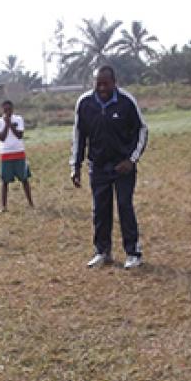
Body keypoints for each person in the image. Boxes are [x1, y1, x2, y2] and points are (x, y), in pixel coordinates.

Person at [70, 65, 149, 270]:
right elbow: (79, 137)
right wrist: (75, 166)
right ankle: (102, 252)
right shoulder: (85, 103)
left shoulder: (126, 102)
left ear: (115, 82)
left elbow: (142, 130)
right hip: (97, 167)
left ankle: (133, 253)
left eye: (106, 83)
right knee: (100, 210)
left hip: (123, 166)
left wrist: (131, 160)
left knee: (124, 206)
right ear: (93, 83)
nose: (102, 88)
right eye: (98, 83)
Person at [0, 100, 33, 213]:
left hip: (19, 152)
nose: (8, 112)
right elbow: (1, 138)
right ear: (2, 110)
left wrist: (10, 124)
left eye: (10, 110)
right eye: (5, 110)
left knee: (24, 179)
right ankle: (3, 206)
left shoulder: (18, 119)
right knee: (4, 181)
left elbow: (19, 135)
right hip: (5, 154)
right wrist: (6, 124)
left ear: (13, 109)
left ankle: (31, 203)